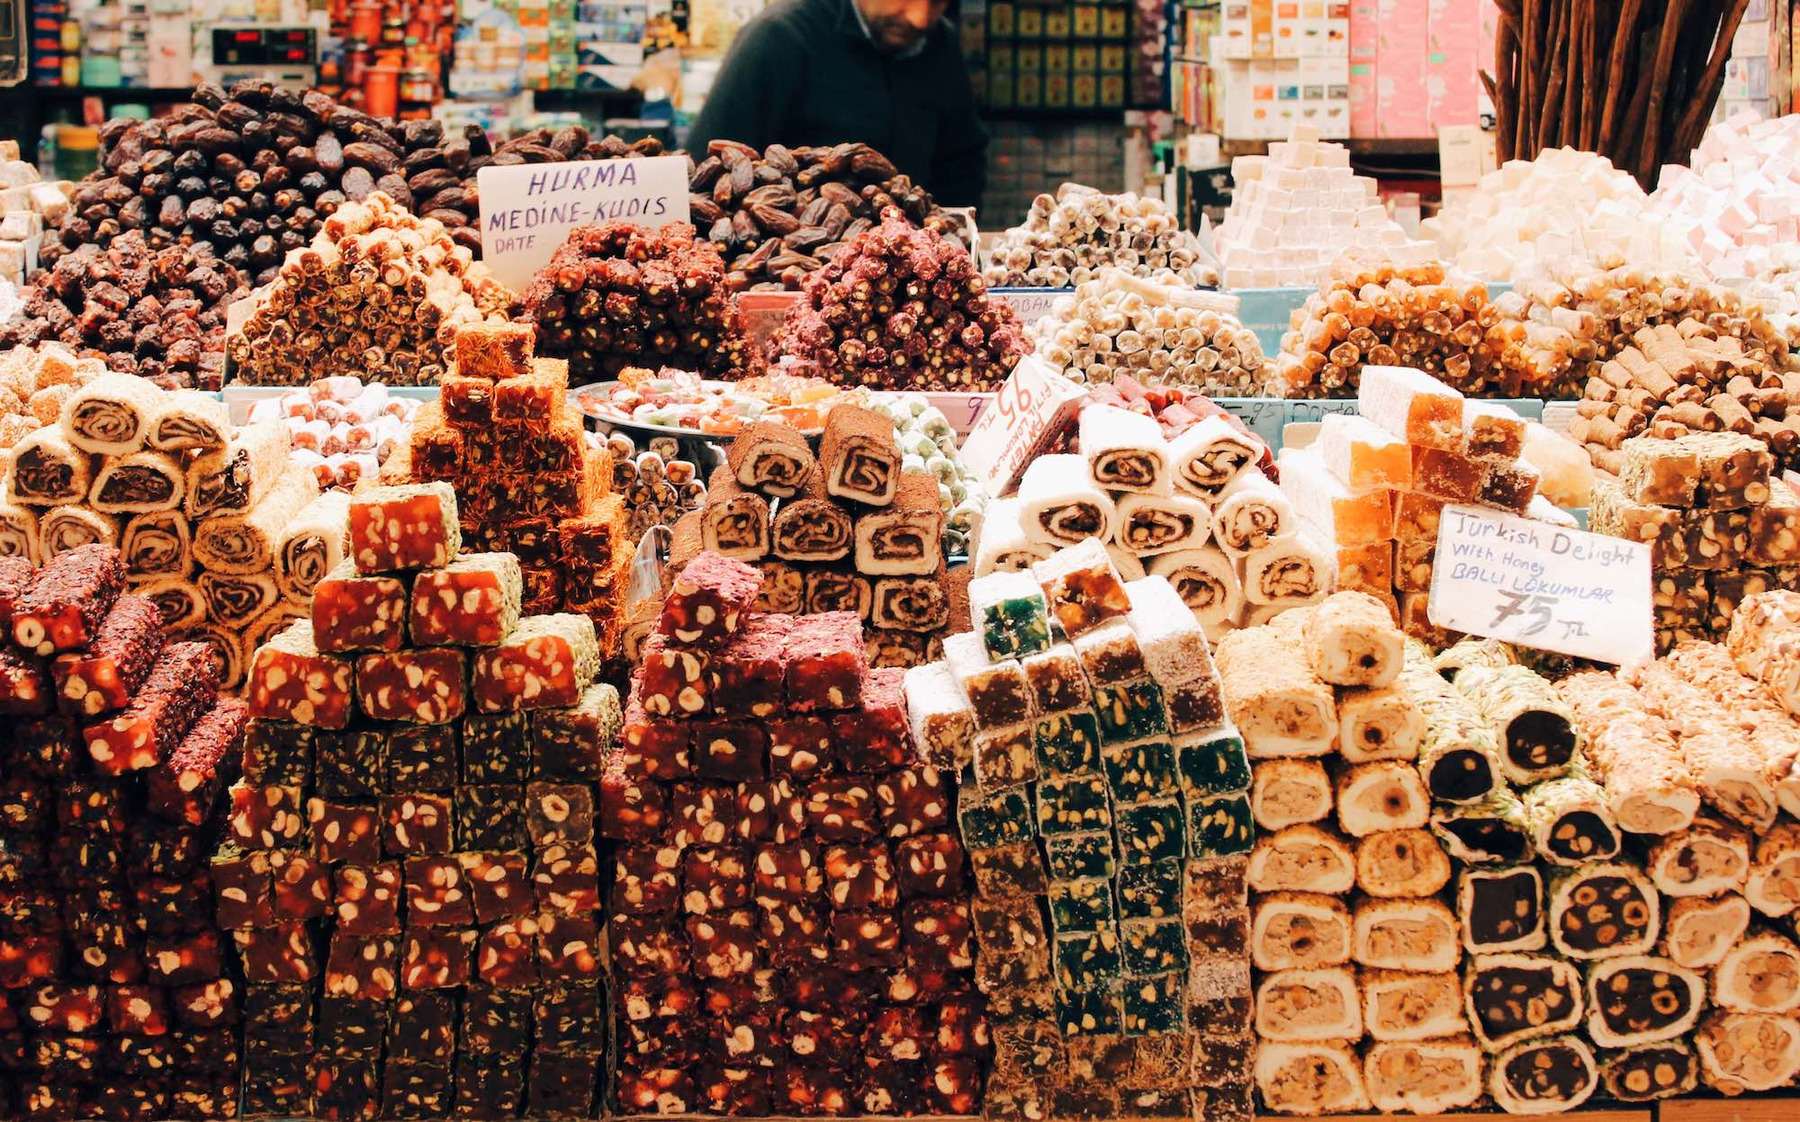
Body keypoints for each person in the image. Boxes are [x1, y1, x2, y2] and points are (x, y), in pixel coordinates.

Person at [686, 0, 988, 207]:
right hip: (799, 279)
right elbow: (709, 169)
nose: (919, 17)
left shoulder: (939, 43)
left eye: (938, 2)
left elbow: (962, 162)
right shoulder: (780, 36)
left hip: (913, 277)